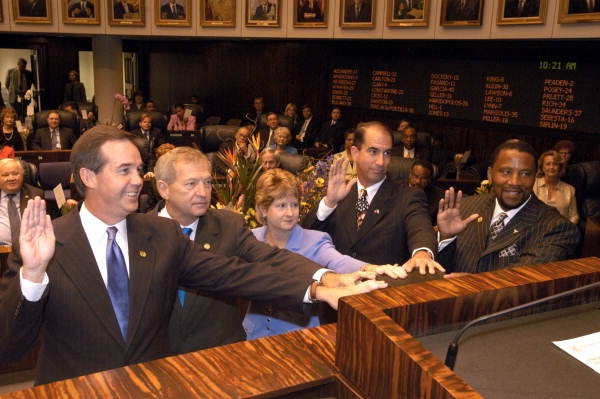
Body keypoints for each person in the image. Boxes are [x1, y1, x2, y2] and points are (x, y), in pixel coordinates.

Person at [0, 126, 385, 385]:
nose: (138, 179)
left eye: (139, 169)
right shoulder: (46, 243)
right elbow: (9, 346)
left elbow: (234, 272)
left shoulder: (160, 235)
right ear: (88, 178)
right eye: (124, 170)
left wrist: (319, 285)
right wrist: (33, 275)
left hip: (156, 387)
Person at [150, 146, 385, 353]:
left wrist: (328, 278)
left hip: (222, 355)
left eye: (208, 182)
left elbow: (270, 258)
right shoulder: (139, 235)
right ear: (164, 189)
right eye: (191, 184)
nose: (203, 192)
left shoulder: (229, 225)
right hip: (158, 360)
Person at [244, 168, 407, 339]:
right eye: (281, 206)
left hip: (300, 337)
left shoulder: (314, 240)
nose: (290, 213)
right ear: (263, 209)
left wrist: (372, 268)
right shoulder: (250, 238)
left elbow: (340, 261)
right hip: (253, 334)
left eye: (294, 204)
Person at [302, 121, 442, 273]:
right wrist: (329, 203)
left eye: (387, 153)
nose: (381, 162)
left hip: (379, 290)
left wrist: (422, 253)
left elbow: (420, 228)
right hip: (334, 287)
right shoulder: (340, 192)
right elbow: (305, 238)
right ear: (355, 153)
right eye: (373, 151)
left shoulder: (408, 196)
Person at [437, 139, 580, 276]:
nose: (515, 182)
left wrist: (473, 285)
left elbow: (524, 279)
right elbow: (440, 268)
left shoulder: (556, 227)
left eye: (525, 174)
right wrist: (446, 239)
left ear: (535, 177)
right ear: (490, 174)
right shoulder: (465, 207)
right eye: (506, 172)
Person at [0, 158, 43, 246]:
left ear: (22, 175)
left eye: (15, 174)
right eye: (5, 175)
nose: (11, 178)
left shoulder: (35, 195)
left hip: (30, 248)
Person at [533, 150, 579, 224]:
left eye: (555, 164)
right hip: (536, 228)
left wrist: (566, 227)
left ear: (560, 168)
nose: (551, 167)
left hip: (560, 230)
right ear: (542, 167)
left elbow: (574, 216)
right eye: (548, 164)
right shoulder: (532, 184)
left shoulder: (570, 190)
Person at [407, 159, 443, 224]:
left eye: (423, 178)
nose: (418, 181)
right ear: (410, 174)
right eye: (416, 176)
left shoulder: (438, 196)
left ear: (429, 179)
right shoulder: (396, 190)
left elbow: (438, 225)